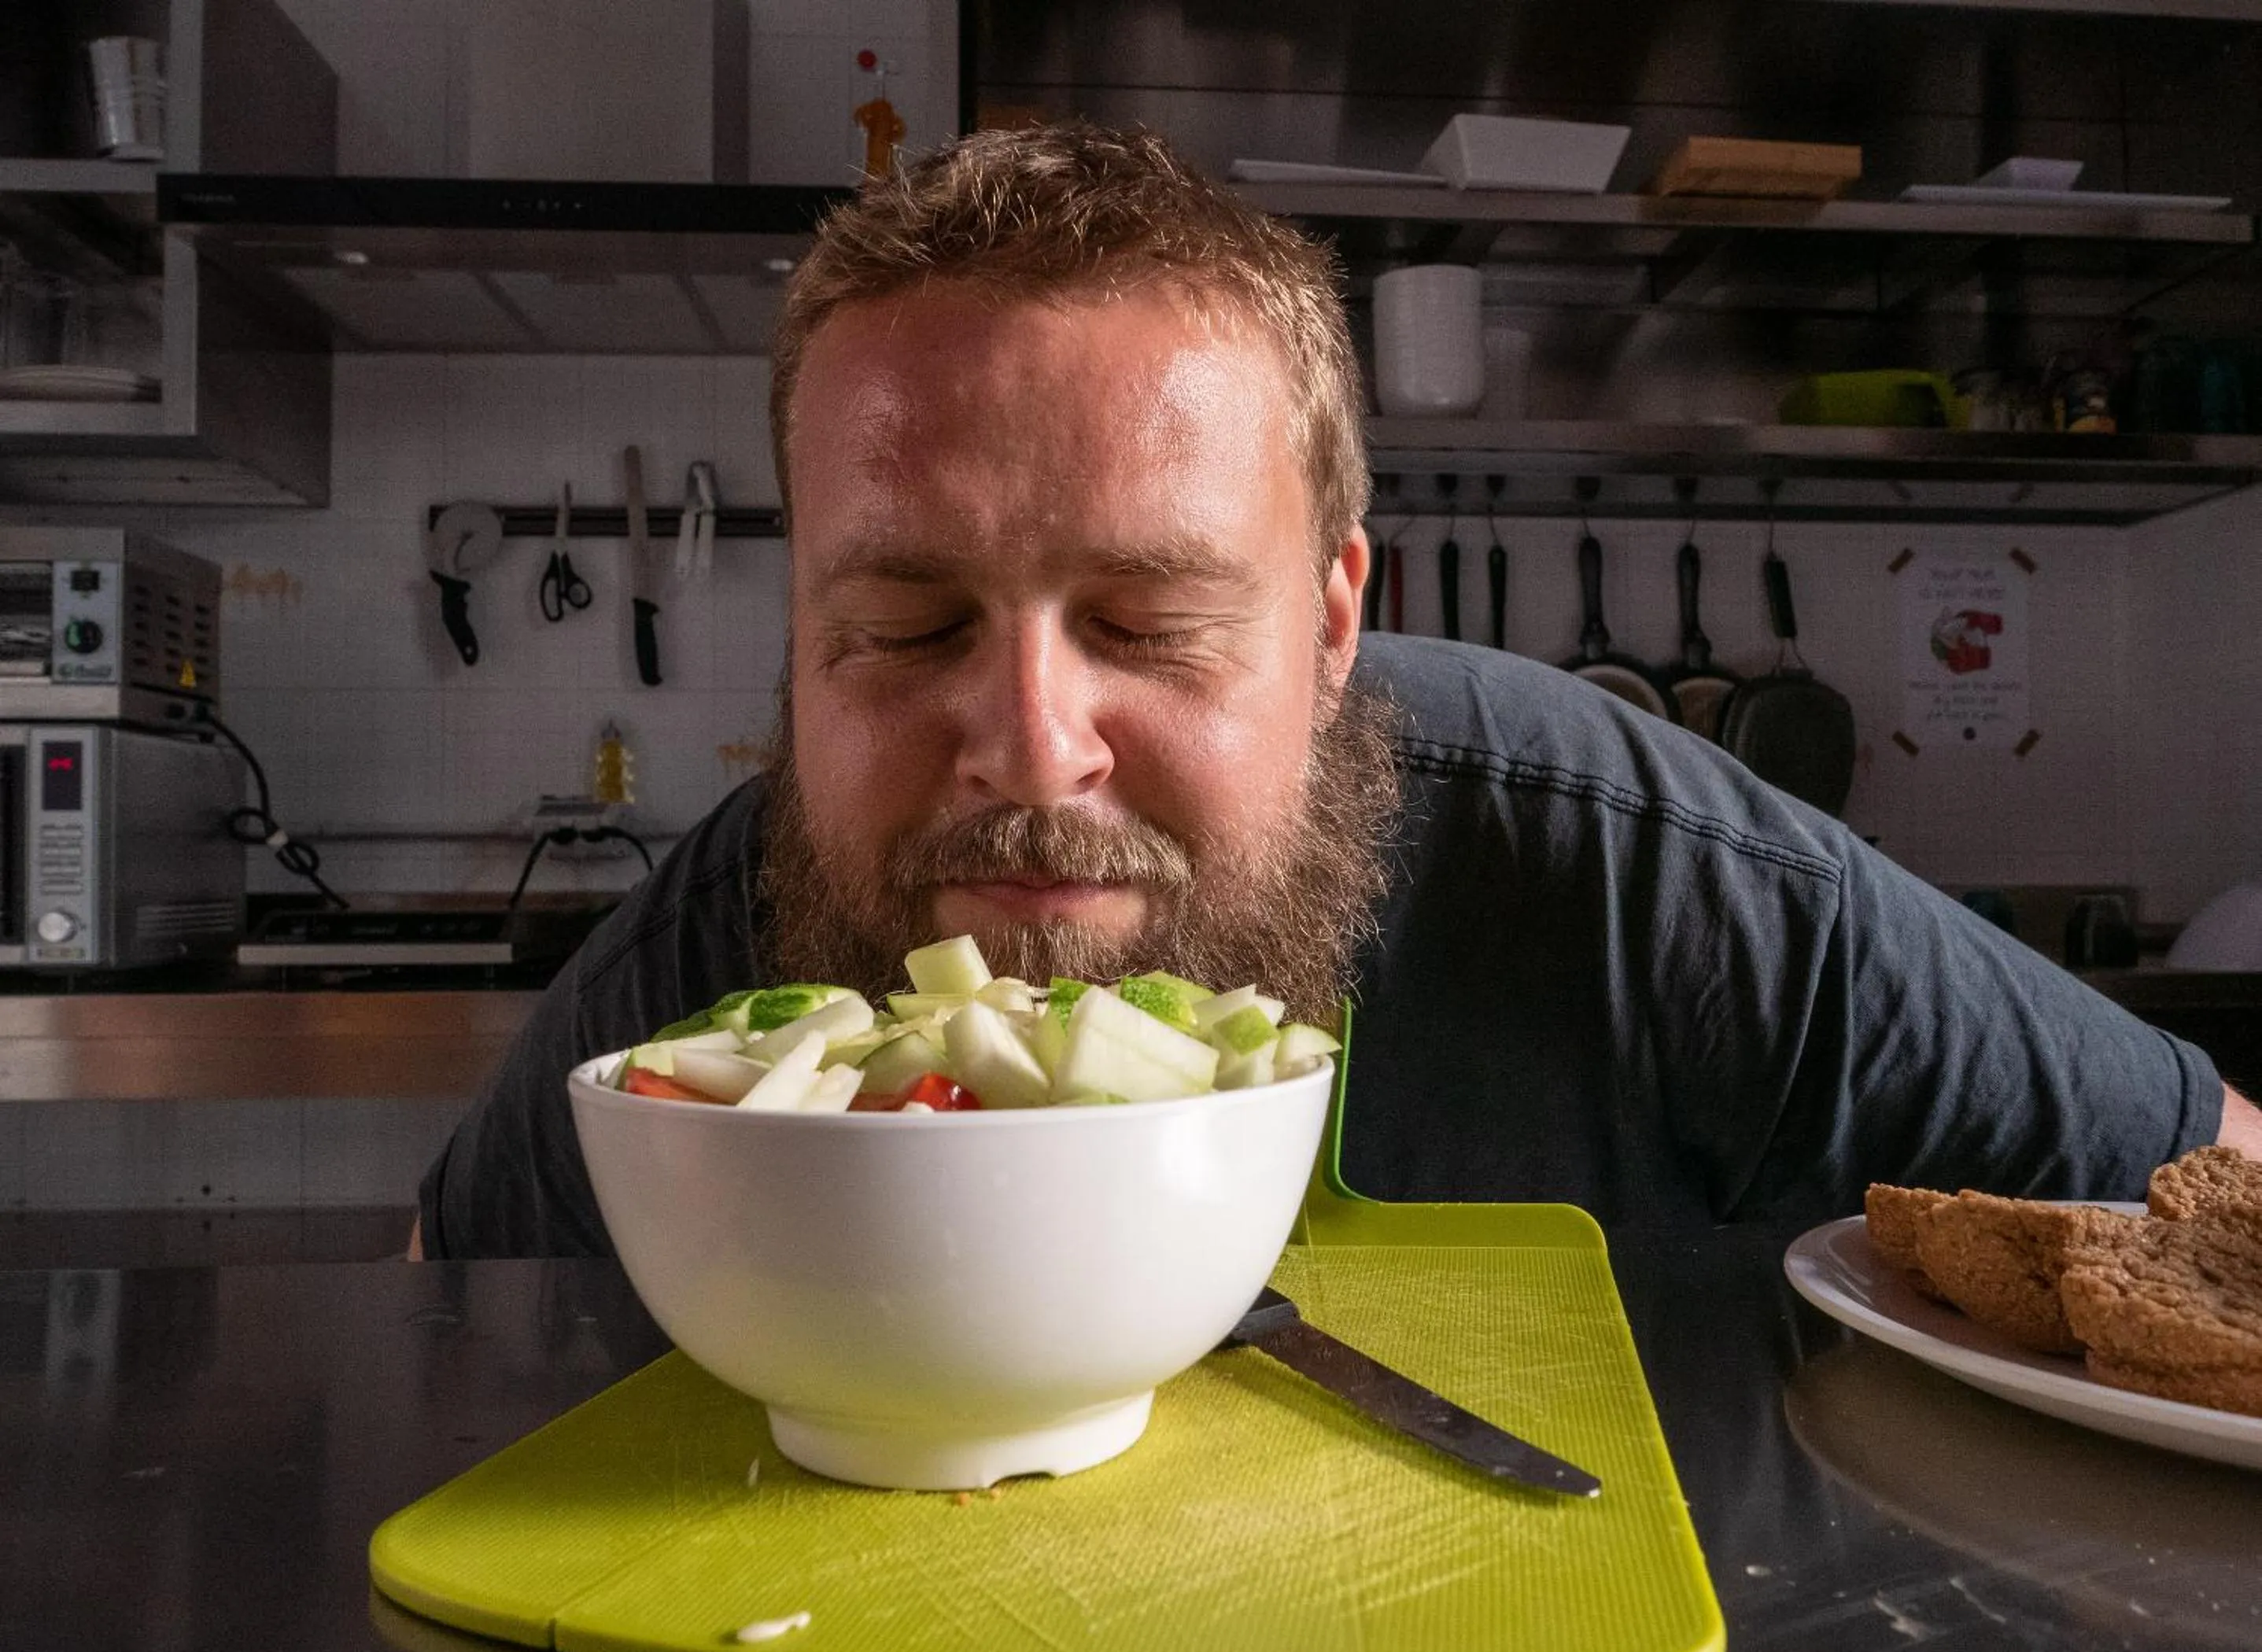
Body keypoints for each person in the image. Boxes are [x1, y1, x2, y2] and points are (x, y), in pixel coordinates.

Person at [413, 123, 2257, 1260]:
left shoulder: (1638, 875)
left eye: (1145, 622)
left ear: (1331, 623)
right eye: (903, 631)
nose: (1031, 747)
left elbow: (2220, 1190)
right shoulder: (738, 967)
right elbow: (447, 1304)